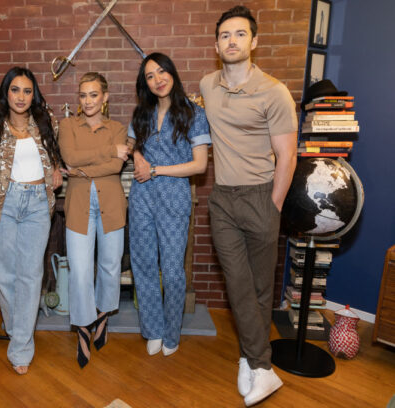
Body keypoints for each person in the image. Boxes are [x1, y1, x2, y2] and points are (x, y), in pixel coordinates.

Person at [199, 6, 298, 406]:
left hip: (261, 196)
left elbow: (287, 158)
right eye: (225, 35)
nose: (232, 41)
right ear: (216, 44)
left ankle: (251, 358)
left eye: (240, 34)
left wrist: (272, 206)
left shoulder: (274, 91)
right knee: (238, 285)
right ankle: (264, 368)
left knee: (259, 289)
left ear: (254, 42)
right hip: (222, 199)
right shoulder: (207, 84)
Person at [0, 67, 63, 375]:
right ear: (5, 94)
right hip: (2, 205)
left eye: (27, 91)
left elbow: (59, 159)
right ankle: (17, 327)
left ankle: (21, 346)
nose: (21, 96)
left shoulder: (47, 127)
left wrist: (56, 172)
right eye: (15, 90)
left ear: (33, 95)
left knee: (30, 275)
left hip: (37, 205)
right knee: (4, 275)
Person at [128, 53, 211, 358]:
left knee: (173, 269)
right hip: (141, 197)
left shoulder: (194, 113)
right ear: (145, 83)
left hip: (174, 196)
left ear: (172, 74)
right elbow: (132, 146)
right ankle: (152, 329)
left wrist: (156, 170)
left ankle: (171, 331)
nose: (157, 79)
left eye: (162, 72)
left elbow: (200, 165)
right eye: (150, 76)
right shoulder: (141, 113)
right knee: (143, 265)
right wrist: (137, 156)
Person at [58, 72, 129, 368]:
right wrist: (108, 152)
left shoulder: (118, 127)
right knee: (81, 269)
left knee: (111, 266)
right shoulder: (67, 125)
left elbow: (114, 167)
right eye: (83, 95)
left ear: (105, 97)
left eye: (94, 95)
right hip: (78, 206)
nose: (88, 101)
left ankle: (102, 315)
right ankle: (83, 327)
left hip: (112, 204)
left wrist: (81, 168)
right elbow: (69, 157)